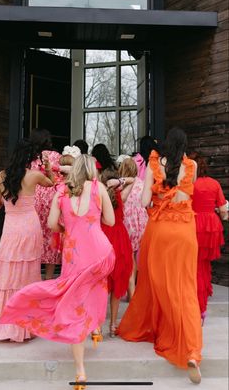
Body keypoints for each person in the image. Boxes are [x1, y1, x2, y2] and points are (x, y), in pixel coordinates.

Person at [0, 155, 115, 388]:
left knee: (74, 303)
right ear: (91, 170)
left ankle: (81, 371)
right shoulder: (98, 187)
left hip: (75, 256)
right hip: (101, 252)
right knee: (95, 287)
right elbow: (110, 222)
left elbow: (52, 224)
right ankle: (95, 327)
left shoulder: (61, 193)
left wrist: (68, 228)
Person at [118, 127, 202, 385]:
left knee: (158, 284)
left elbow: (144, 203)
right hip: (186, 232)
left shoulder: (154, 163)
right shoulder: (193, 166)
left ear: (165, 144)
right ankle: (192, 351)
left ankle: (163, 330)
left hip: (160, 231)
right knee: (185, 288)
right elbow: (187, 194)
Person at [0, 138, 54, 342]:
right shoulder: (35, 175)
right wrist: (47, 167)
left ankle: (6, 323)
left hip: (11, 228)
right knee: (28, 273)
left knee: (8, 273)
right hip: (29, 227)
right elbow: (52, 183)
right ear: (31, 158)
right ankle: (25, 325)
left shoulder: (0, 177)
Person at [189, 151, 228, 323]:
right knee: (204, 264)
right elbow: (224, 211)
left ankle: (196, 305)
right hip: (211, 226)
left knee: (194, 265)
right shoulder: (214, 183)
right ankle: (202, 306)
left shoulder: (190, 184)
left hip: (194, 224)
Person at [101, 169, 133, 337]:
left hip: (103, 237)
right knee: (118, 283)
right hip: (120, 239)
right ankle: (113, 325)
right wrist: (120, 182)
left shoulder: (98, 197)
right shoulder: (121, 196)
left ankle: (97, 327)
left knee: (101, 284)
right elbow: (133, 180)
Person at [29, 128, 61, 279]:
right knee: (52, 237)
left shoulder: (29, 158)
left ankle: (34, 275)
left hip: (34, 201)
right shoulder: (56, 156)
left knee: (35, 237)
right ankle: (48, 277)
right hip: (52, 201)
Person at [118, 157, 148, 298]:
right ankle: (135, 291)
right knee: (138, 259)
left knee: (129, 260)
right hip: (141, 222)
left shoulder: (120, 185)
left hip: (127, 222)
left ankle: (131, 293)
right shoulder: (142, 183)